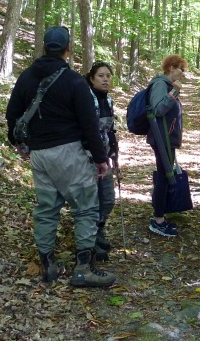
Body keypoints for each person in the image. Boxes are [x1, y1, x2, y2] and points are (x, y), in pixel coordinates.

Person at [5, 26, 116, 287]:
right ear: (67, 49)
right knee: (86, 208)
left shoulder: (26, 78)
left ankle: (48, 265)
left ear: (45, 47)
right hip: (68, 153)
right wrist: (101, 159)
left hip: (39, 154)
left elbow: (12, 114)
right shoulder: (74, 81)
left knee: (46, 209)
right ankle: (83, 269)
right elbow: (89, 125)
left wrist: (19, 143)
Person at [147, 54, 188, 237]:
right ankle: (158, 220)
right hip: (161, 139)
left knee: (165, 175)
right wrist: (174, 94)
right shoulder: (160, 85)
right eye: (181, 69)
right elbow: (157, 109)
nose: (182, 73)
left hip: (166, 138)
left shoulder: (167, 86)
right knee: (164, 177)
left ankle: (160, 214)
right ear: (171, 68)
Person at [84, 61, 119, 261]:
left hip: (105, 157)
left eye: (108, 76)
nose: (106, 79)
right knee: (92, 200)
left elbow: (110, 129)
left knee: (107, 198)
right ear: (91, 78)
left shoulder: (109, 100)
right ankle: (90, 240)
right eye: (101, 76)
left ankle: (99, 229)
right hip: (88, 158)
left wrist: (113, 151)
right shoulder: (87, 100)